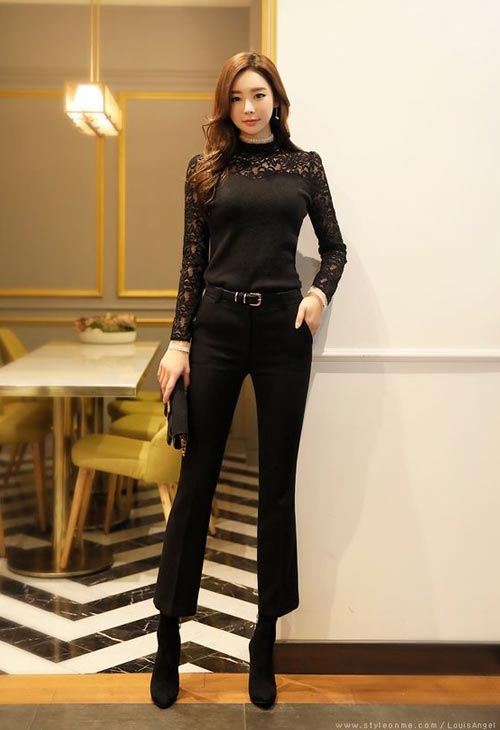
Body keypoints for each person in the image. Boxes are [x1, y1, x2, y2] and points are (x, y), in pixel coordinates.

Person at [151, 50, 347, 710]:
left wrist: (317, 294)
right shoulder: (206, 169)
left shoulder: (305, 167)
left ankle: (263, 641)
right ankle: (168, 635)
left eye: (258, 94)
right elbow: (191, 262)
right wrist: (179, 342)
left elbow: (335, 247)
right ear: (225, 105)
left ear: (276, 99)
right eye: (236, 98)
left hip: (283, 333)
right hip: (217, 327)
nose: (248, 107)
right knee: (196, 481)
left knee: (276, 487)